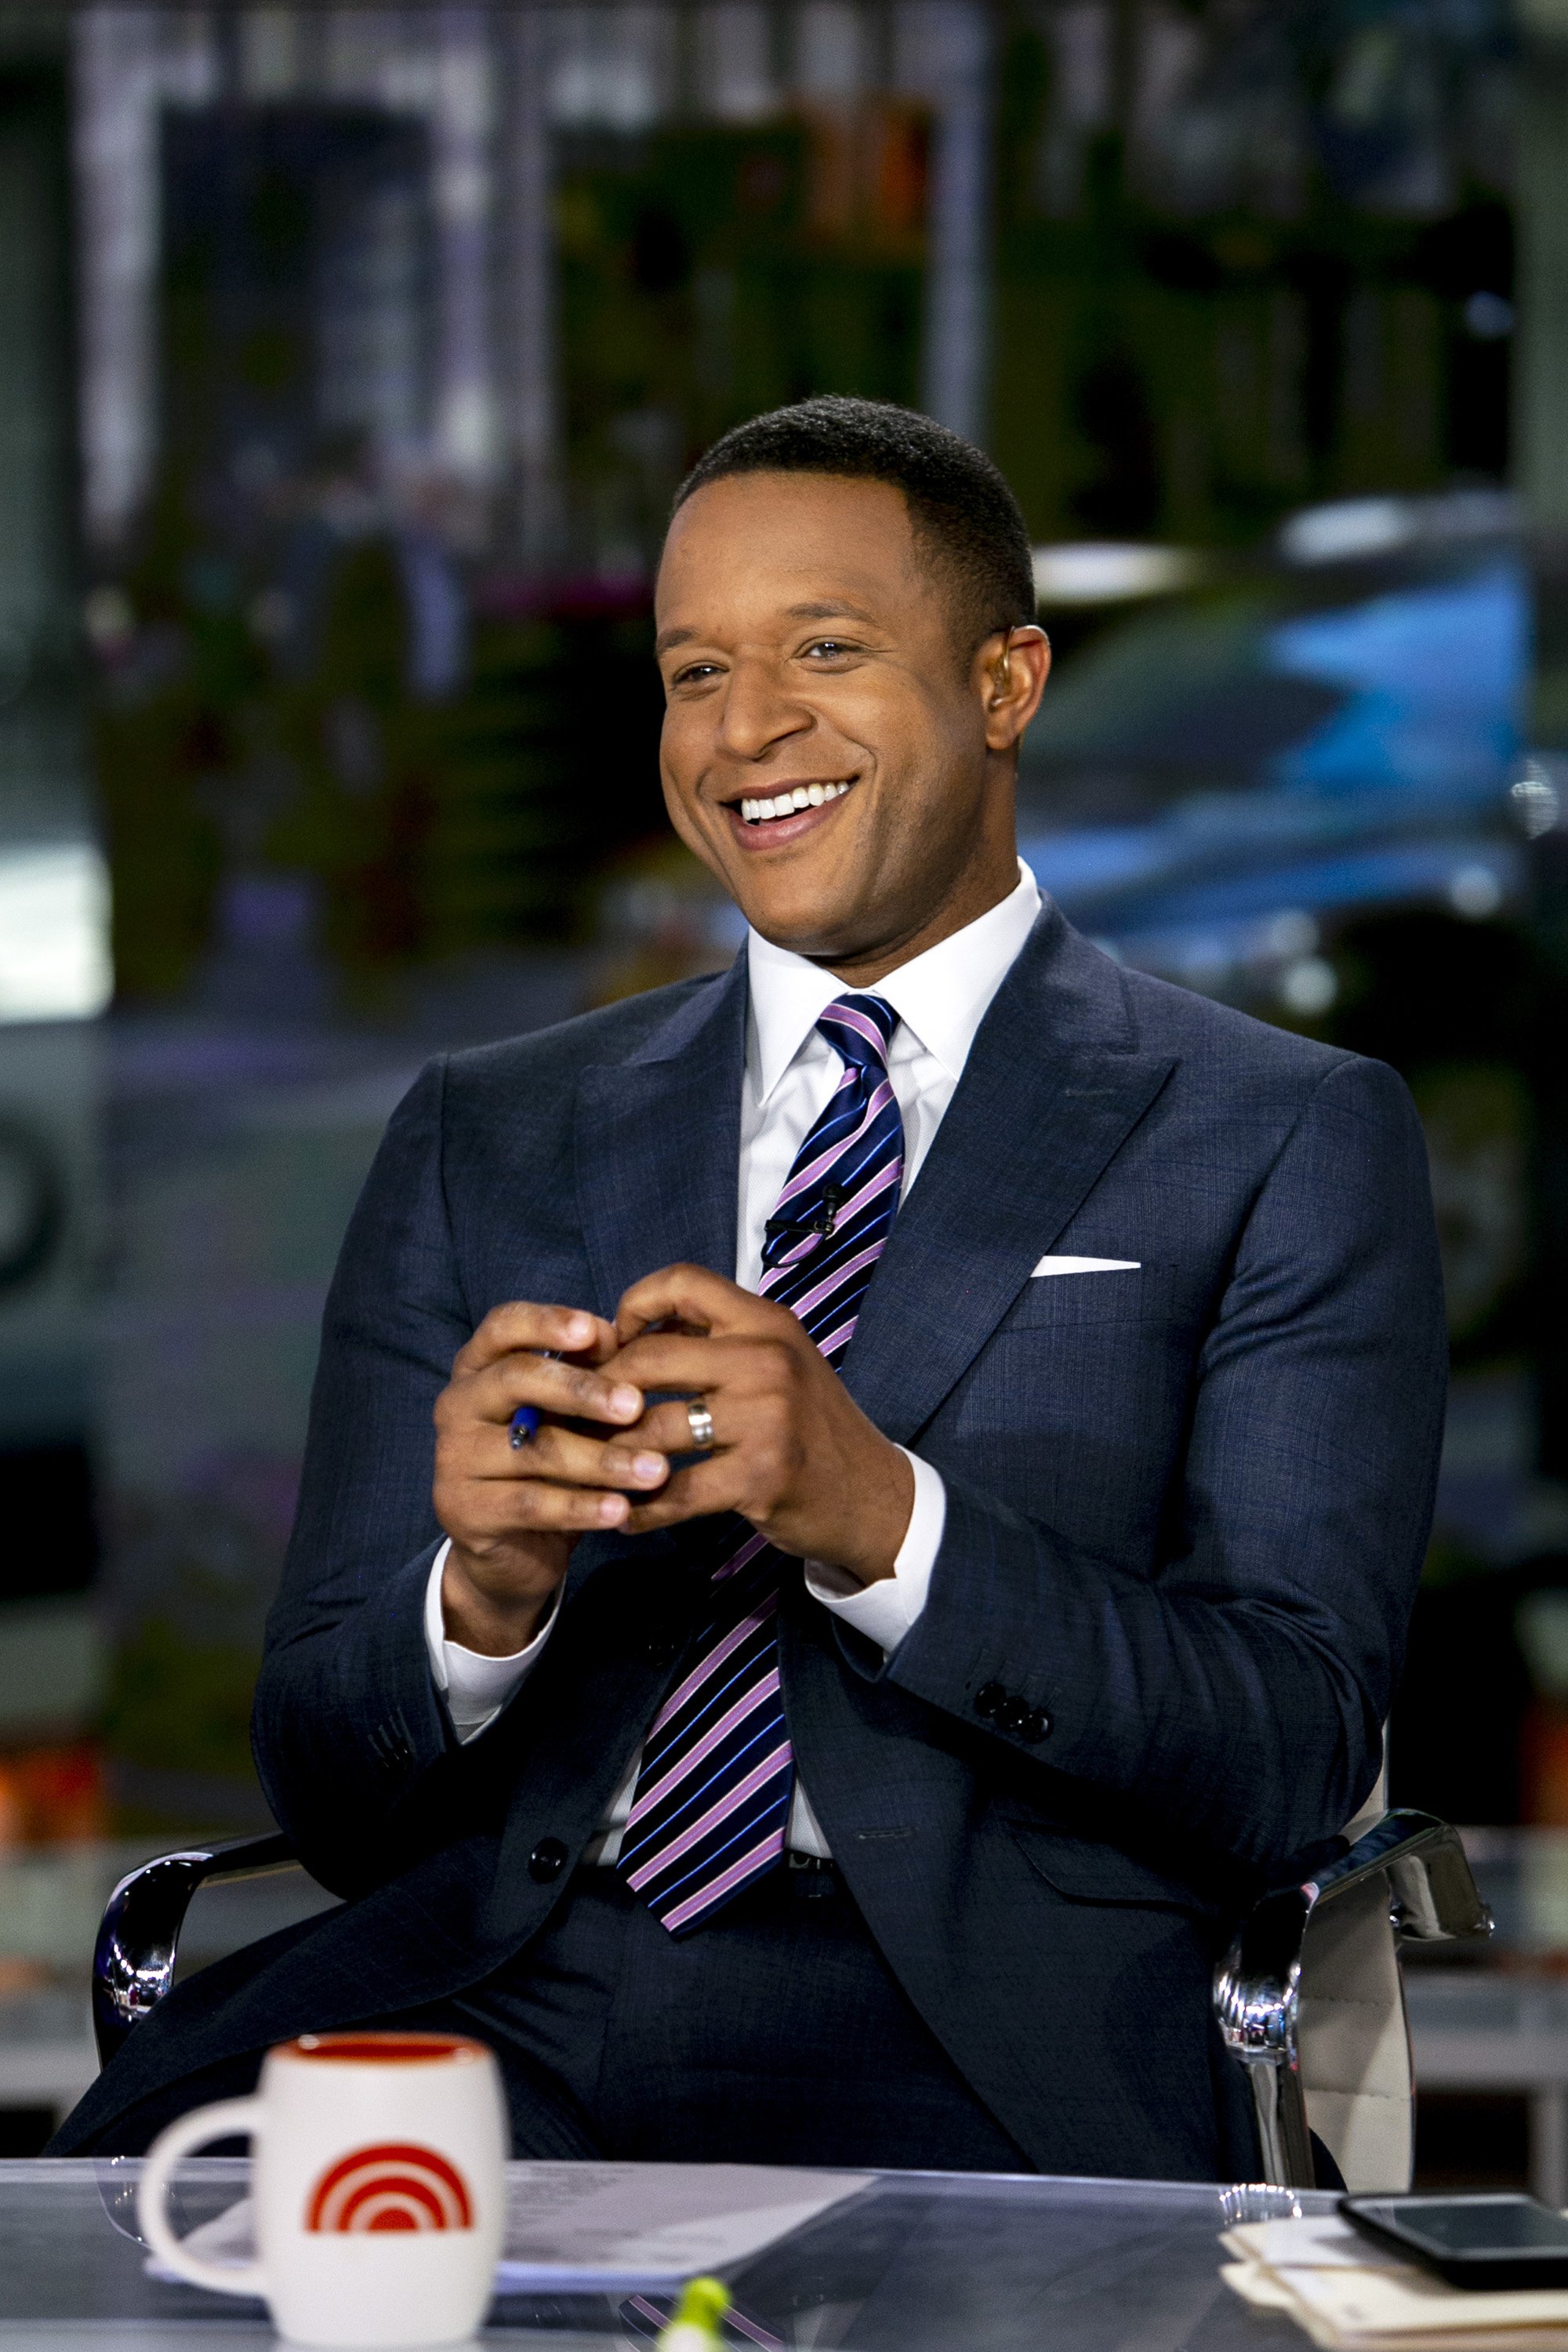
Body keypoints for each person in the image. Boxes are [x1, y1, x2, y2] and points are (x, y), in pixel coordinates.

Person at [56, 397, 1446, 2179]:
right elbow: (329, 1783)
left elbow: (1283, 1752)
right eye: (693, 670)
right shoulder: (491, 1130)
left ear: (1006, 685)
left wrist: (881, 1520)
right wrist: (481, 1597)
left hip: (979, 2035)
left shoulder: (1278, 1132)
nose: (744, 730)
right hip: (501, 1987)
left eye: (825, 650)